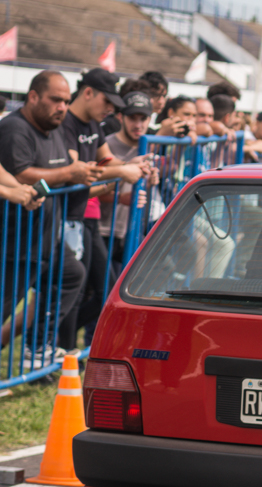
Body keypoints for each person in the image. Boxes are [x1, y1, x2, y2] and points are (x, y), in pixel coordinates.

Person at [0, 71, 97, 366]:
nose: (62, 107)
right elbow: (22, 173)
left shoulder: (53, 129)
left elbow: (16, 177)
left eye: (66, 101)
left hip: (44, 236)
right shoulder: (14, 128)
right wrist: (17, 190)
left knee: (71, 275)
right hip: (15, 243)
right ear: (33, 97)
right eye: (56, 100)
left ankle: (36, 347)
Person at [59, 68, 146, 350]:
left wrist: (131, 166)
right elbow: (79, 171)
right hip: (65, 216)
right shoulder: (66, 123)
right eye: (106, 101)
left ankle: (61, 347)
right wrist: (123, 171)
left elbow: (106, 161)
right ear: (88, 93)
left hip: (85, 217)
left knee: (104, 290)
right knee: (72, 289)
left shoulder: (93, 125)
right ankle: (59, 348)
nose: (110, 109)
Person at [98, 90, 155, 272]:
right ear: (120, 117)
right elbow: (92, 189)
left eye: (143, 119)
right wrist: (121, 197)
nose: (138, 124)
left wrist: (152, 181)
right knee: (105, 285)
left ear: (150, 119)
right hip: (103, 229)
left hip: (131, 231)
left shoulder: (148, 146)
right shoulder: (106, 146)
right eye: (132, 118)